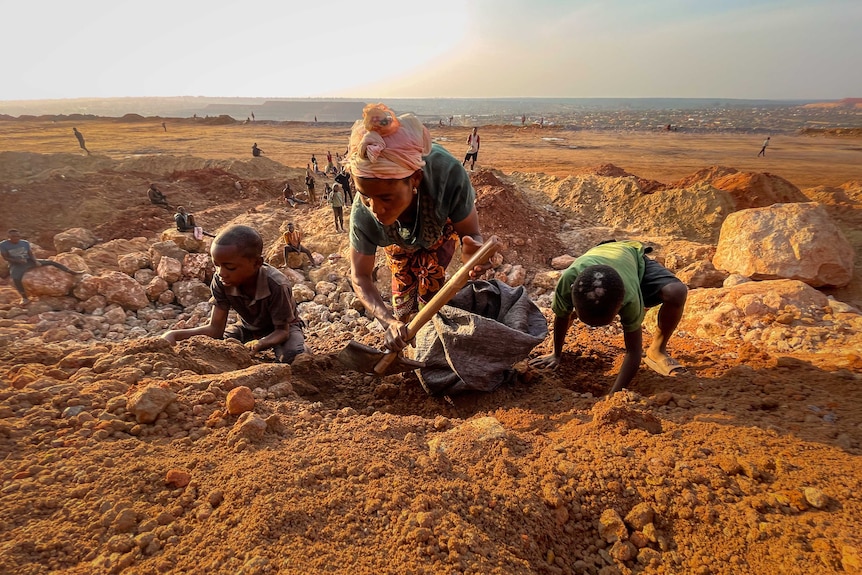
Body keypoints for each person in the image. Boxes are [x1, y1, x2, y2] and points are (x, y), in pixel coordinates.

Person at [346, 103, 492, 354]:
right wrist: (387, 321)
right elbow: (360, 276)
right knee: (402, 313)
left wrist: (472, 255)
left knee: (430, 298)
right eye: (365, 196)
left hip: (438, 232)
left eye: (386, 198)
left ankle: (432, 350)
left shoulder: (448, 175)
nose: (376, 208)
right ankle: (412, 355)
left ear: (415, 179)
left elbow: (470, 233)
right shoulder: (364, 214)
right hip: (397, 242)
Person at [529, 240, 689, 394]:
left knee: (676, 292)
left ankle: (657, 350)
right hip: (602, 255)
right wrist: (556, 354)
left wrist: (615, 394)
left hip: (631, 256)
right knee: (572, 309)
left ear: (621, 306)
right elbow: (562, 315)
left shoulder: (630, 297)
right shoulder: (568, 280)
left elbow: (634, 352)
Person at [162, 225, 306, 364]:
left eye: (230, 267)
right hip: (248, 329)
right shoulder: (222, 281)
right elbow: (215, 329)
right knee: (215, 348)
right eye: (217, 265)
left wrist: (260, 344)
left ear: (257, 263)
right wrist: (174, 335)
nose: (221, 273)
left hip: (283, 329)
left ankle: (303, 348)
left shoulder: (277, 284)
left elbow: (282, 331)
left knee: (292, 356)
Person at [0, 229, 83, 305]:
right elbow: (6, 257)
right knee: (16, 278)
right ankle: (24, 298)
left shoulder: (24, 243)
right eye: (14, 236)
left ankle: (72, 272)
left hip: (28, 261)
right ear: (9, 237)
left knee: (51, 262)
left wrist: (35, 261)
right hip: (16, 264)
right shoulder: (3, 245)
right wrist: (17, 261)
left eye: (18, 236)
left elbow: (30, 253)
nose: (16, 238)